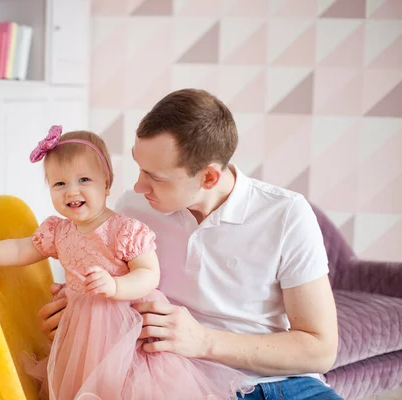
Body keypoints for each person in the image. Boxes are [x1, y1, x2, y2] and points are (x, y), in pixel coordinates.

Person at [37, 89, 342, 400]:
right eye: (139, 168)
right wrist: (75, 315)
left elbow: (319, 349)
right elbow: (104, 289)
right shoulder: (131, 212)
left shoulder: (286, 213)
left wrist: (203, 340)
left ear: (208, 177)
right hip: (173, 385)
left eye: (155, 177)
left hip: (286, 385)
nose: (138, 186)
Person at [0, 126, 254, 400]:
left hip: (126, 327)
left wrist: (115, 285)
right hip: (81, 331)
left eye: (84, 180)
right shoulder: (58, 231)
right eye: (59, 183)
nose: (72, 190)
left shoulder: (123, 229)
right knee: (83, 386)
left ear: (106, 183)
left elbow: (149, 274)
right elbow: (21, 250)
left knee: (126, 387)